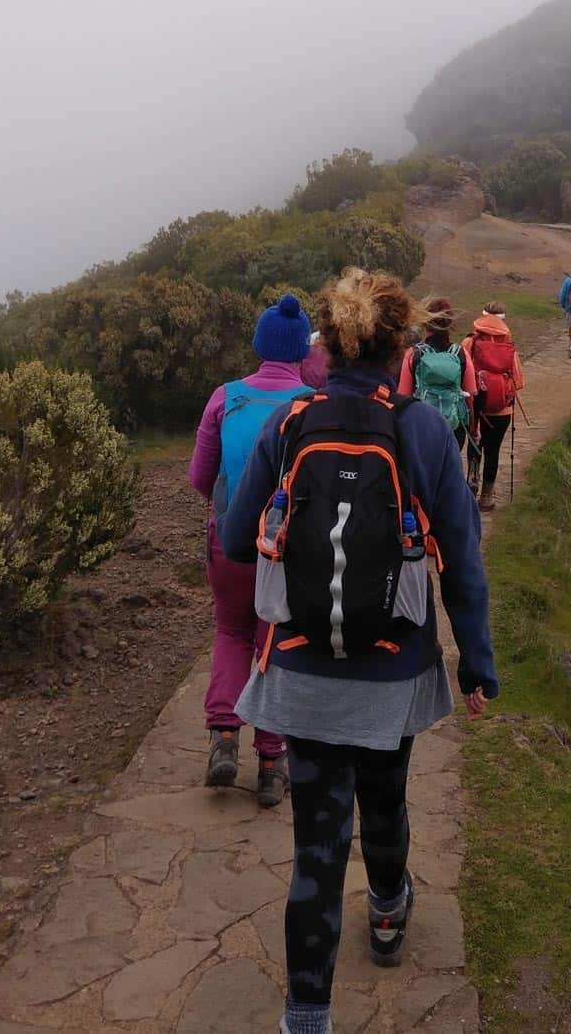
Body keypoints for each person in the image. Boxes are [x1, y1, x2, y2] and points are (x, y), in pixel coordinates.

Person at [220, 267, 498, 1034]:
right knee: (385, 801)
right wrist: (476, 664)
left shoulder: (290, 423)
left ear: (331, 343)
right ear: (398, 341)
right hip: (394, 670)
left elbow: (237, 535)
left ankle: (306, 1017)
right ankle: (385, 916)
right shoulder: (426, 432)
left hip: (303, 671)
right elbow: (464, 564)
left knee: (316, 845)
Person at [188, 292, 314, 806]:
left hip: (229, 542)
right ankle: (271, 762)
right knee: (274, 643)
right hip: (289, 551)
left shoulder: (226, 397)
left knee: (231, 631)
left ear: (260, 344)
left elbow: (200, 476)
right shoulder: (313, 403)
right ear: (302, 350)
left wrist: (225, 511)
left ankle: (222, 737)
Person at [462, 301, 525, 512]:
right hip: (502, 411)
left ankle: (472, 484)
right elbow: (519, 381)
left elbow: (461, 372)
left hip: (475, 408)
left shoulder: (470, 342)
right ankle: (487, 497)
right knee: (493, 450)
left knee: (474, 447)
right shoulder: (508, 346)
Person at [396, 295, 477, 449]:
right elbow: (470, 396)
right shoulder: (461, 353)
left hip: (421, 425)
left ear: (426, 323)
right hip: (453, 426)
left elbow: (403, 395)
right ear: (449, 323)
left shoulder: (414, 354)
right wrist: (473, 427)